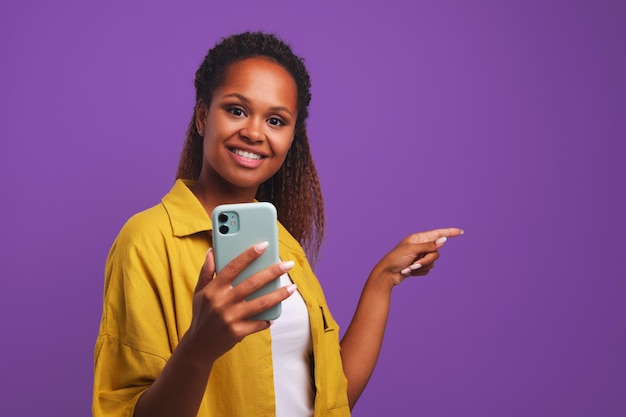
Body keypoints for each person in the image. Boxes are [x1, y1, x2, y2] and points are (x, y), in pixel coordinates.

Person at [93, 31, 462, 417]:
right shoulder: (147, 240)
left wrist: (383, 278)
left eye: (275, 120)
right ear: (203, 115)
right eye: (236, 110)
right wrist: (200, 346)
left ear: (290, 138)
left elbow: (332, 399)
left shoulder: (284, 248)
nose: (254, 132)